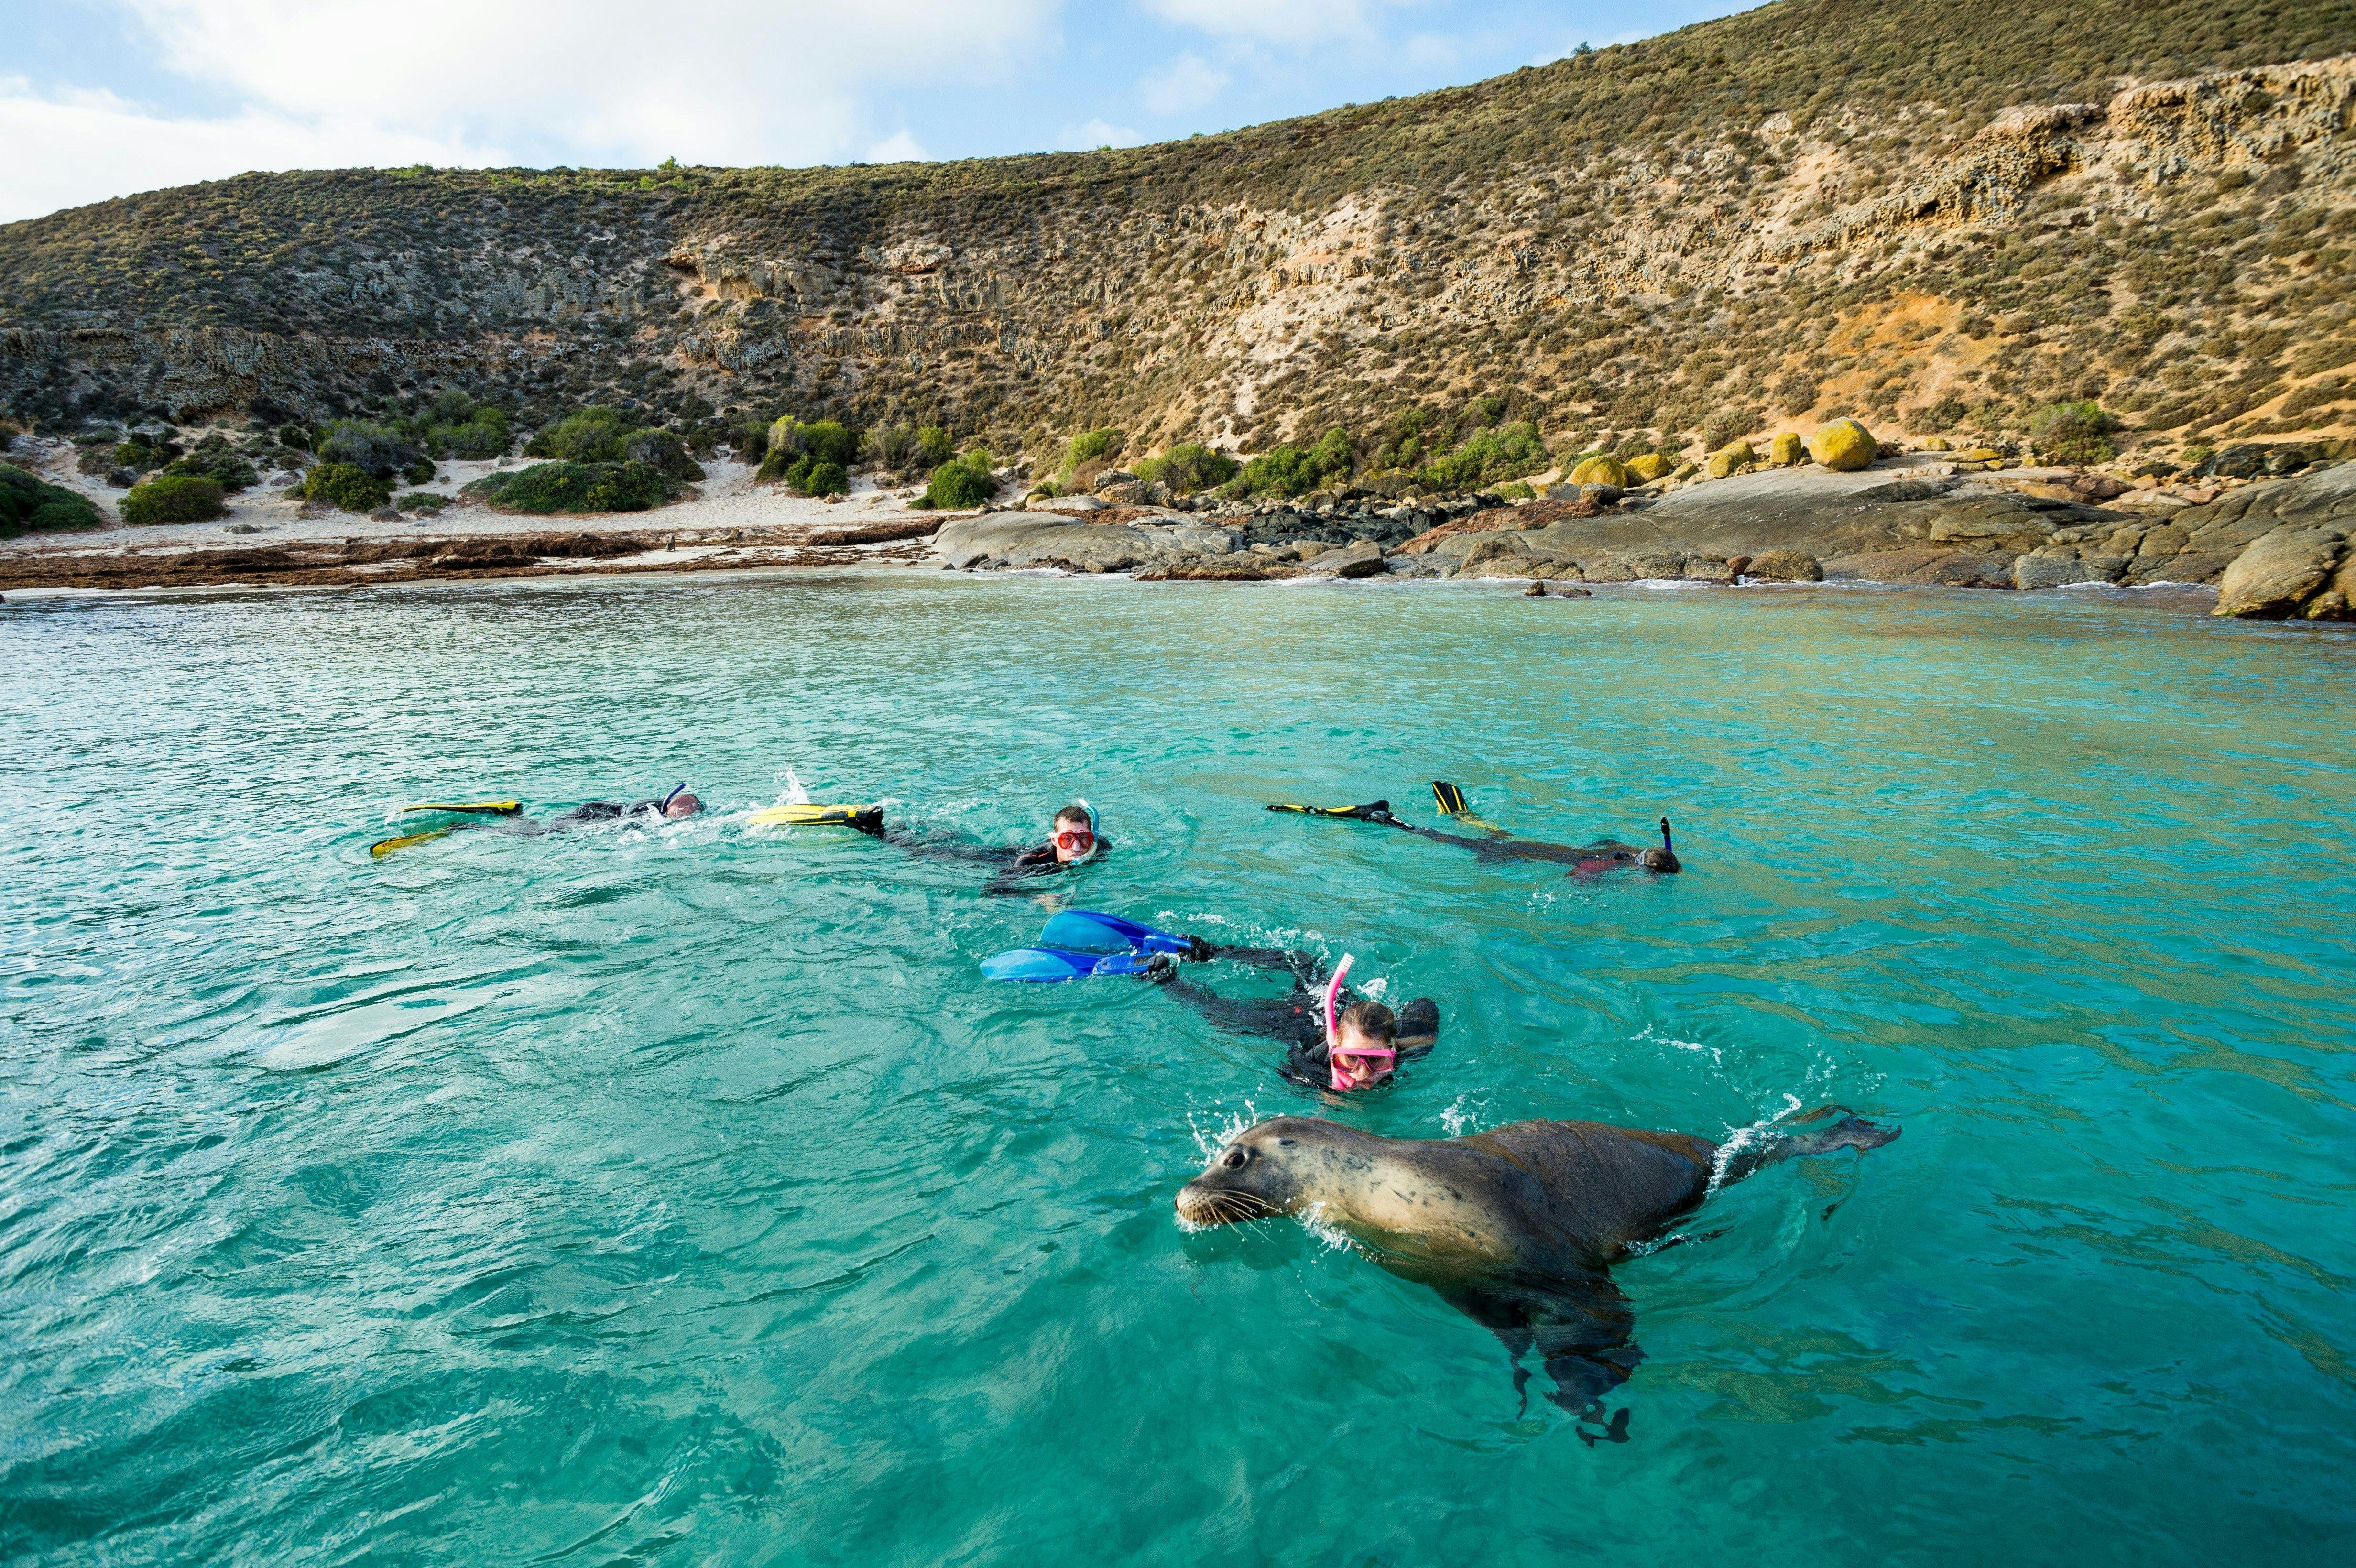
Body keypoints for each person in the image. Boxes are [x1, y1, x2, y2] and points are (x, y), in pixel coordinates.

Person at [1146, 942, 1439, 1092]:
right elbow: (1291, 1068)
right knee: (1223, 1015)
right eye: (1351, 1059)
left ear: (1392, 1051)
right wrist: (1324, 1087)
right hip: (1299, 1020)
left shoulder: (1407, 1045)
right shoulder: (1317, 1059)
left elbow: (1426, 1007)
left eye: (1376, 1061)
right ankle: (1172, 970)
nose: (1362, 1075)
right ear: (1335, 1046)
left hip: (1344, 1009)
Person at [860, 800, 1106, 893]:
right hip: (1002, 860)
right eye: (1067, 839)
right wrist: (1041, 898)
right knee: (934, 853)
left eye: (1083, 839)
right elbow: (993, 889)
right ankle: (875, 828)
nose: (1076, 846)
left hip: (1012, 850)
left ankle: (932, 829)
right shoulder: (1030, 863)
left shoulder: (1100, 846)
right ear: (1054, 840)